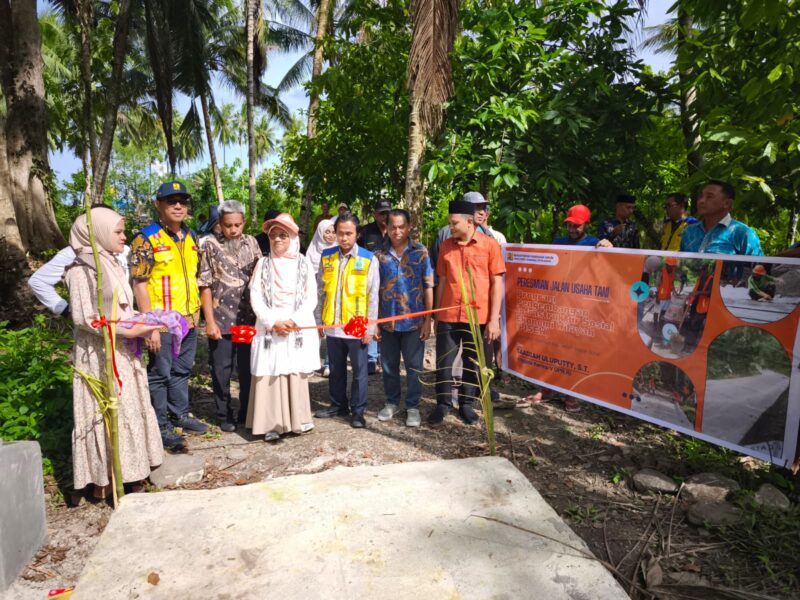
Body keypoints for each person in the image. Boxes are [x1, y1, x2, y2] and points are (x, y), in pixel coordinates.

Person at [65, 208, 164, 499]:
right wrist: (131, 330)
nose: (124, 237)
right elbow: (87, 318)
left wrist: (143, 321)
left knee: (129, 407)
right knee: (106, 411)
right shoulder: (81, 269)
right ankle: (104, 479)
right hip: (100, 354)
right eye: (118, 232)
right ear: (96, 233)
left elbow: (121, 308)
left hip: (122, 350)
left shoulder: (113, 264)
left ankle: (134, 471)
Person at [129, 180, 208, 451]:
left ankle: (180, 415)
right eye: (171, 201)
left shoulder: (192, 236)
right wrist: (149, 323)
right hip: (162, 321)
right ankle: (160, 424)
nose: (178, 206)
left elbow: (194, 277)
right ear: (158, 205)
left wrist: (197, 313)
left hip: (188, 318)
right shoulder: (146, 238)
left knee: (182, 370)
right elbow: (139, 283)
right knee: (160, 372)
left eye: (182, 202)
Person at [430, 199, 505, 426]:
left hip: (478, 317)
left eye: (454, 223)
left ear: (469, 221)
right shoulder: (446, 246)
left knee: (473, 362)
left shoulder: (490, 245)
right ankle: (442, 404)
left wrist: (493, 320)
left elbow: (497, 283)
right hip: (449, 316)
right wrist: (436, 314)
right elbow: (442, 281)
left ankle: (466, 404)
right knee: (444, 361)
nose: (450, 228)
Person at [248, 213, 320, 441]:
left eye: (282, 235)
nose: (277, 240)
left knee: (293, 369)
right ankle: (270, 424)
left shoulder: (303, 263)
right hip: (270, 325)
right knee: (269, 370)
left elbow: (311, 297)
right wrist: (272, 321)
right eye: (273, 236)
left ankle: (297, 420)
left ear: (292, 238)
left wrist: (293, 321)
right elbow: (256, 295)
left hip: (295, 325)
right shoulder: (263, 263)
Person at [197, 200, 262, 432]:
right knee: (221, 370)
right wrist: (210, 322)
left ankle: (246, 411)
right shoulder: (209, 246)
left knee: (246, 369)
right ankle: (224, 414)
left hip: (247, 320)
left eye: (237, 225)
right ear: (219, 224)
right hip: (221, 321)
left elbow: (260, 278)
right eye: (228, 225)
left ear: (244, 222)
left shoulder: (252, 243)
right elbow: (204, 285)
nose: (233, 230)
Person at [313, 213, 379, 428]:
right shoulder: (327, 256)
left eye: (349, 233)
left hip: (356, 327)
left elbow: (373, 295)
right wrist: (318, 321)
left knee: (360, 372)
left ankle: (358, 411)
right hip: (332, 325)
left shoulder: (368, 259)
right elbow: (320, 291)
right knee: (336, 369)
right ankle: (337, 405)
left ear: (357, 234)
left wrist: (371, 326)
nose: (344, 238)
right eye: (340, 233)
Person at [374, 209, 434, 428]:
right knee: (389, 365)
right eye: (393, 227)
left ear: (409, 227)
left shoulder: (421, 252)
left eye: (401, 227)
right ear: (387, 227)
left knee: (414, 367)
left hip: (414, 322)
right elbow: (373, 290)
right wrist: (375, 322)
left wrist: (428, 319)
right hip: (387, 321)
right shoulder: (379, 254)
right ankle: (391, 403)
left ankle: (413, 406)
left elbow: (428, 286)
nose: (397, 231)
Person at [29, 207, 130, 318]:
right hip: (98, 328)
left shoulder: (122, 250)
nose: (123, 237)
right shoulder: (74, 255)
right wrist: (65, 310)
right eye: (117, 231)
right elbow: (37, 281)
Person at [680, 180, 763, 256]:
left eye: (709, 196)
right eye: (701, 196)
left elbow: (758, 268)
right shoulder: (689, 231)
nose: (701, 201)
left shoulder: (742, 233)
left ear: (727, 203)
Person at [357, 199, 391, 372]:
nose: (385, 216)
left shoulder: (395, 230)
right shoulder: (364, 232)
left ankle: (383, 356)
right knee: (370, 314)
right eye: (381, 213)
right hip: (368, 281)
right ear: (374, 214)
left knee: (386, 317)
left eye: (387, 212)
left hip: (390, 282)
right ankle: (371, 358)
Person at [306, 218, 337, 378]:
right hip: (315, 296)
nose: (331, 235)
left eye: (333, 232)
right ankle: (311, 363)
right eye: (327, 232)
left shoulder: (339, 252)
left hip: (333, 295)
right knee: (315, 329)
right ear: (320, 232)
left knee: (332, 328)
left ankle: (329, 364)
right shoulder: (310, 252)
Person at [655, 257, 678, 328]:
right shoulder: (661, 273)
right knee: (656, 311)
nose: (672, 268)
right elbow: (657, 285)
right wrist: (657, 297)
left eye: (673, 266)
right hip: (660, 297)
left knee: (664, 312)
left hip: (668, 297)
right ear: (666, 265)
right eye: (671, 266)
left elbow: (672, 283)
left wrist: (675, 292)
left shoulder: (673, 273)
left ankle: (660, 324)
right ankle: (655, 324)